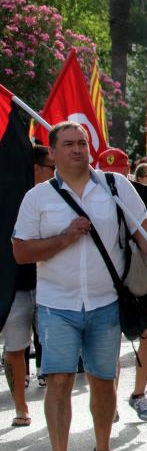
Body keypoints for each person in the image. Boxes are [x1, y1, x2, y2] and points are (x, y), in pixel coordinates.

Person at [12, 122, 147, 451]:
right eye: (68, 144)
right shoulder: (37, 198)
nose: (78, 150)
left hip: (105, 302)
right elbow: (21, 251)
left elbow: (141, 228)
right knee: (60, 381)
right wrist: (65, 237)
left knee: (103, 379)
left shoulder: (114, 187)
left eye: (82, 143)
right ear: (53, 153)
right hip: (56, 305)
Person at [97, 148, 147, 422]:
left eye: (120, 170)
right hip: (107, 279)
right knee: (109, 341)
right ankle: (110, 397)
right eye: (109, 171)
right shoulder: (91, 195)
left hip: (144, 275)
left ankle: (139, 393)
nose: (115, 176)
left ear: (128, 169)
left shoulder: (145, 194)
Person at [3, 144, 54, 426]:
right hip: (16, 288)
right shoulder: (9, 196)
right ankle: (21, 407)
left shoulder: (60, 196)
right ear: (36, 168)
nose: (56, 172)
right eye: (51, 167)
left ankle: (57, 406)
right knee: (14, 348)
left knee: (59, 347)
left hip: (53, 284)